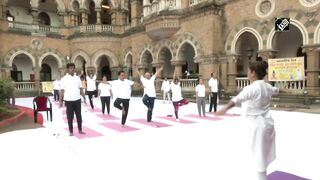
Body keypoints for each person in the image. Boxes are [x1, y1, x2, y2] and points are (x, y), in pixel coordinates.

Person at [216, 60, 287, 180]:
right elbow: (277, 90)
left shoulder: (251, 88)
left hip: (257, 127)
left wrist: (224, 109)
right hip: (267, 125)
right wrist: (286, 90)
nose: (247, 73)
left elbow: (236, 100)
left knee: (259, 159)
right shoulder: (267, 86)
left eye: (249, 71)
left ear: (253, 73)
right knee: (261, 156)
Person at [60, 63, 86, 136]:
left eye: (73, 68)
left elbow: (80, 88)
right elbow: (62, 91)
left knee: (79, 116)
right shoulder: (64, 79)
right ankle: (71, 131)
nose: (72, 69)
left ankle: (80, 130)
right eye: (70, 68)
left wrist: (84, 97)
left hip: (77, 99)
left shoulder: (77, 78)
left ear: (74, 69)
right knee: (70, 117)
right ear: (68, 69)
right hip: (68, 100)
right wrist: (61, 101)